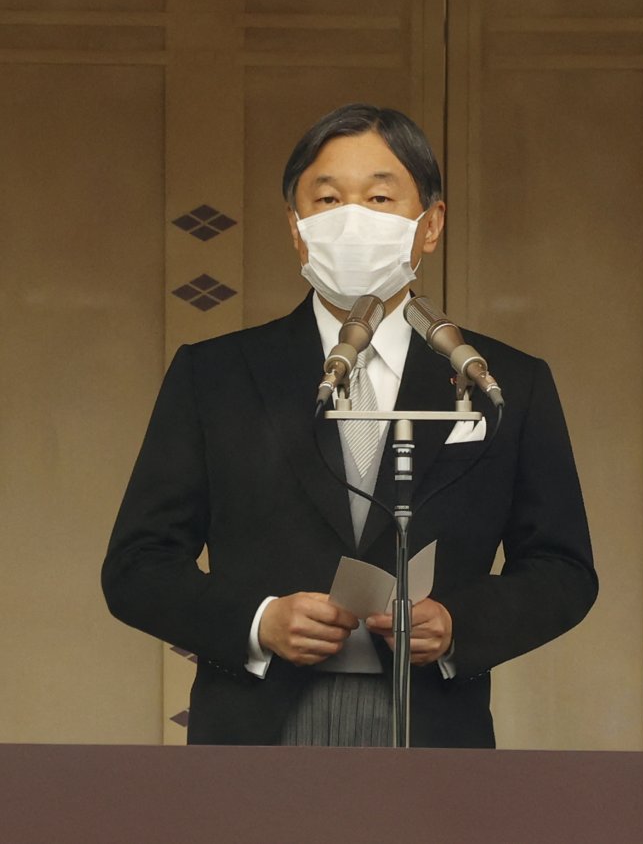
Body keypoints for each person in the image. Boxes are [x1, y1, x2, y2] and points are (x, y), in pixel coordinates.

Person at [103, 103, 597, 748]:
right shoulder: (216, 374)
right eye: (329, 199)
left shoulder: (503, 382)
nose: (353, 219)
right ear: (297, 227)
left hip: (434, 730)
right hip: (256, 730)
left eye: (381, 197)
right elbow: (138, 566)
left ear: (431, 225)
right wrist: (258, 622)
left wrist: (457, 625)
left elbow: (562, 568)